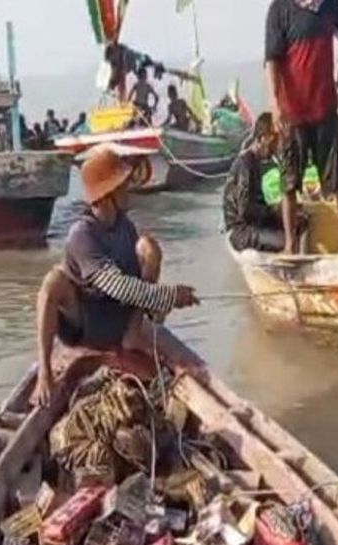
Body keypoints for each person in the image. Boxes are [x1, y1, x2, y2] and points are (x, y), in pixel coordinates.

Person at [32, 146, 200, 406]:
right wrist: (168, 296)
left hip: (116, 317)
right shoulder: (81, 234)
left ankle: (133, 333)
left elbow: (133, 276)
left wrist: (158, 306)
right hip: (86, 323)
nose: (127, 189)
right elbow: (116, 286)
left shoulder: (125, 226)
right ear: (107, 194)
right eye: (121, 185)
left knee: (148, 248)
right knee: (52, 283)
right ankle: (44, 370)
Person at [265, 0, 338, 254]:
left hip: (324, 111)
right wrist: (275, 105)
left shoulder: (329, 5)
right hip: (292, 114)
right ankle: (291, 243)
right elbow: (272, 60)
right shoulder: (280, 9)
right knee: (289, 182)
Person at [223, 113, 305, 253]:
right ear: (261, 138)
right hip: (241, 231)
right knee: (288, 240)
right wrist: (275, 211)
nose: (275, 147)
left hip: (252, 225)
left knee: (299, 222)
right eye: (273, 142)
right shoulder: (246, 164)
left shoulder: (255, 162)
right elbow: (246, 211)